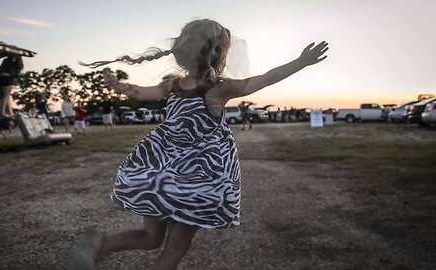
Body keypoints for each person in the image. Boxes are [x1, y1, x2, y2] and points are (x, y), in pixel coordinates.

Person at [72, 19, 328, 270]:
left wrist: (116, 84)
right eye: (213, 47)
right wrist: (301, 63)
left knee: (150, 238)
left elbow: (137, 92)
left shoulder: (177, 86)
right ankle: (101, 246)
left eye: (220, 49)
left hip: (162, 174)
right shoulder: (216, 88)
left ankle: (101, 245)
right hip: (197, 180)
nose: (217, 54)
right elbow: (266, 79)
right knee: (177, 246)